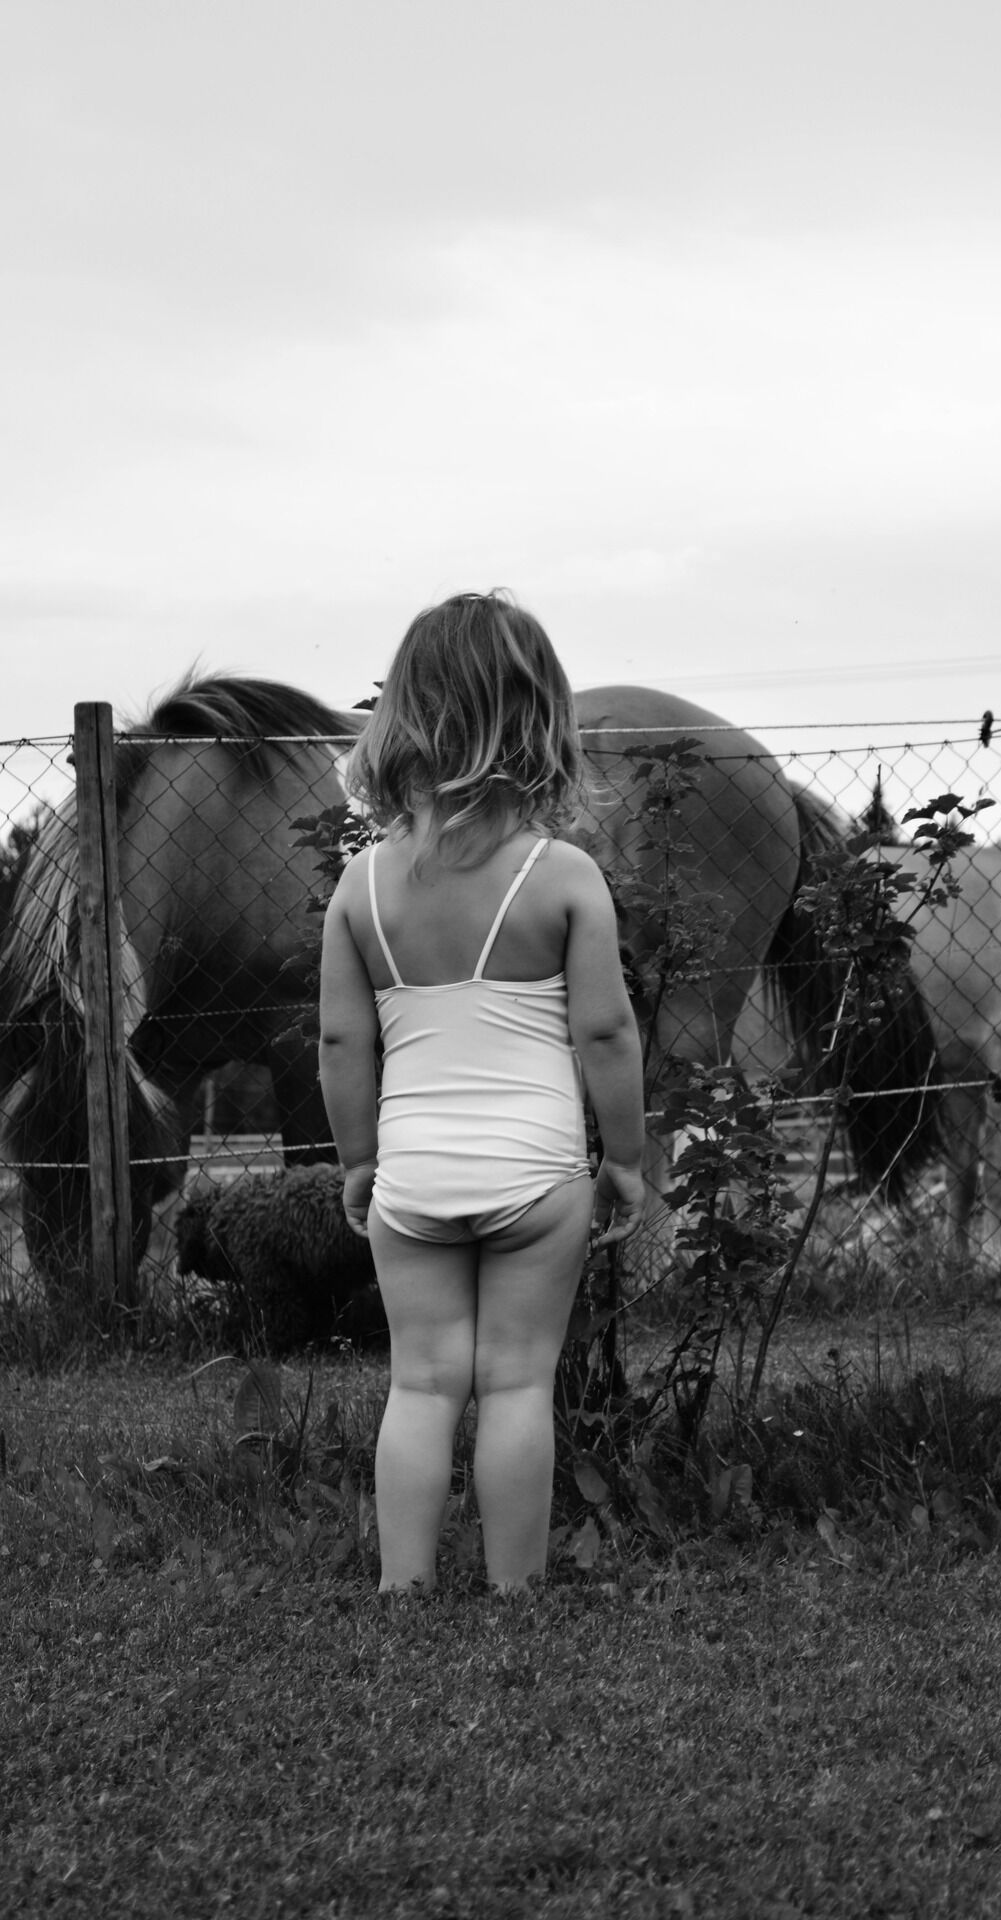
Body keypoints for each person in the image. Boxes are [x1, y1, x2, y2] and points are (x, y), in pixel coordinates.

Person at [319, 592, 646, 1595]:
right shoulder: (563, 876)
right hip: (536, 1175)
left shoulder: (361, 887)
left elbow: (340, 1041)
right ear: (538, 718)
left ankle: (403, 1587)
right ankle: (514, 1592)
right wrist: (626, 1160)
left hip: (413, 1175)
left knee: (420, 1384)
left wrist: (360, 1162)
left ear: (403, 721)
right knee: (514, 1384)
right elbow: (604, 1032)